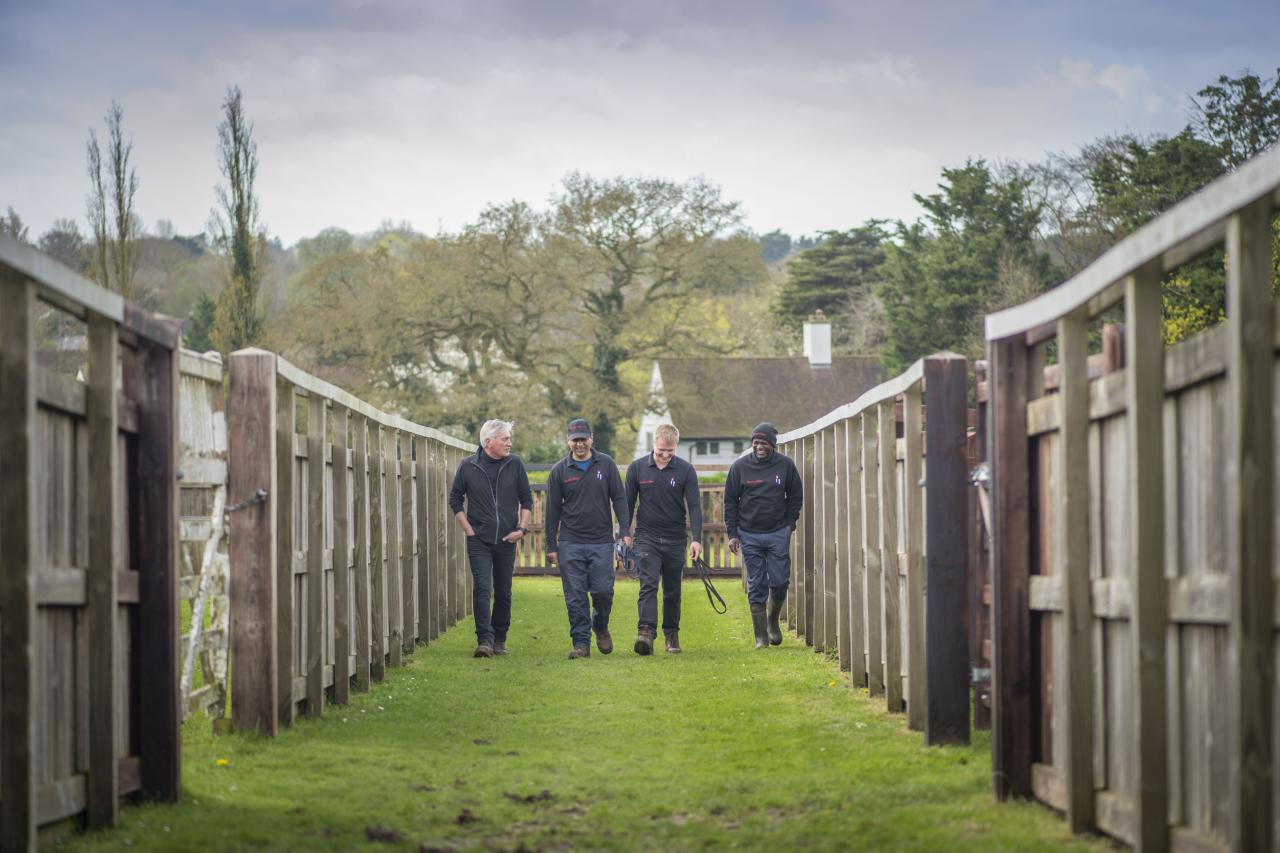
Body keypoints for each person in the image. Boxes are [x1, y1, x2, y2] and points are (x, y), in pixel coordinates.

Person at [545, 418, 629, 659]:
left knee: (604, 591)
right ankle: (581, 643)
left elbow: (620, 499)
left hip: (601, 541)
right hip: (570, 542)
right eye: (575, 440)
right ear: (568, 442)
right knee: (575, 596)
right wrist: (552, 545)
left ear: (591, 439)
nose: (579, 444)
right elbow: (552, 511)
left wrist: (625, 532)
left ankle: (600, 625)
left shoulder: (607, 465)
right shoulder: (559, 471)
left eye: (583, 439)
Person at [449, 419, 533, 658]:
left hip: (507, 540)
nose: (510, 443)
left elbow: (526, 500)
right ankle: (484, 641)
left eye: (509, 438)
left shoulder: (515, 464)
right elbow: (455, 499)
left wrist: (522, 529)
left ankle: (499, 639)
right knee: (483, 589)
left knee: (504, 592)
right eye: (505, 438)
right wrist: (468, 529)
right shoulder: (468, 466)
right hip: (479, 541)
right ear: (489, 442)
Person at [624, 423, 703, 655]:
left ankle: (671, 634)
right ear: (653, 445)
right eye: (661, 451)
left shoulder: (686, 470)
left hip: (675, 538)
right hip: (646, 537)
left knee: (672, 590)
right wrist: (624, 535)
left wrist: (696, 539)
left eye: (671, 451)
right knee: (648, 585)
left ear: (676, 447)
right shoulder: (637, 469)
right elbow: (627, 505)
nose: (666, 455)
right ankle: (646, 633)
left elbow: (695, 507)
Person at [725, 422, 803, 649]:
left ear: (772, 445)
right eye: (756, 442)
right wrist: (733, 533)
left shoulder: (785, 466)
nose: (759, 446)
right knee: (757, 583)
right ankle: (760, 637)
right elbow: (730, 502)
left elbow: (795, 496)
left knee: (779, 582)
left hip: (778, 531)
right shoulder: (739, 467)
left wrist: (790, 523)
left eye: (764, 443)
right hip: (749, 534)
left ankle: (772, 621)